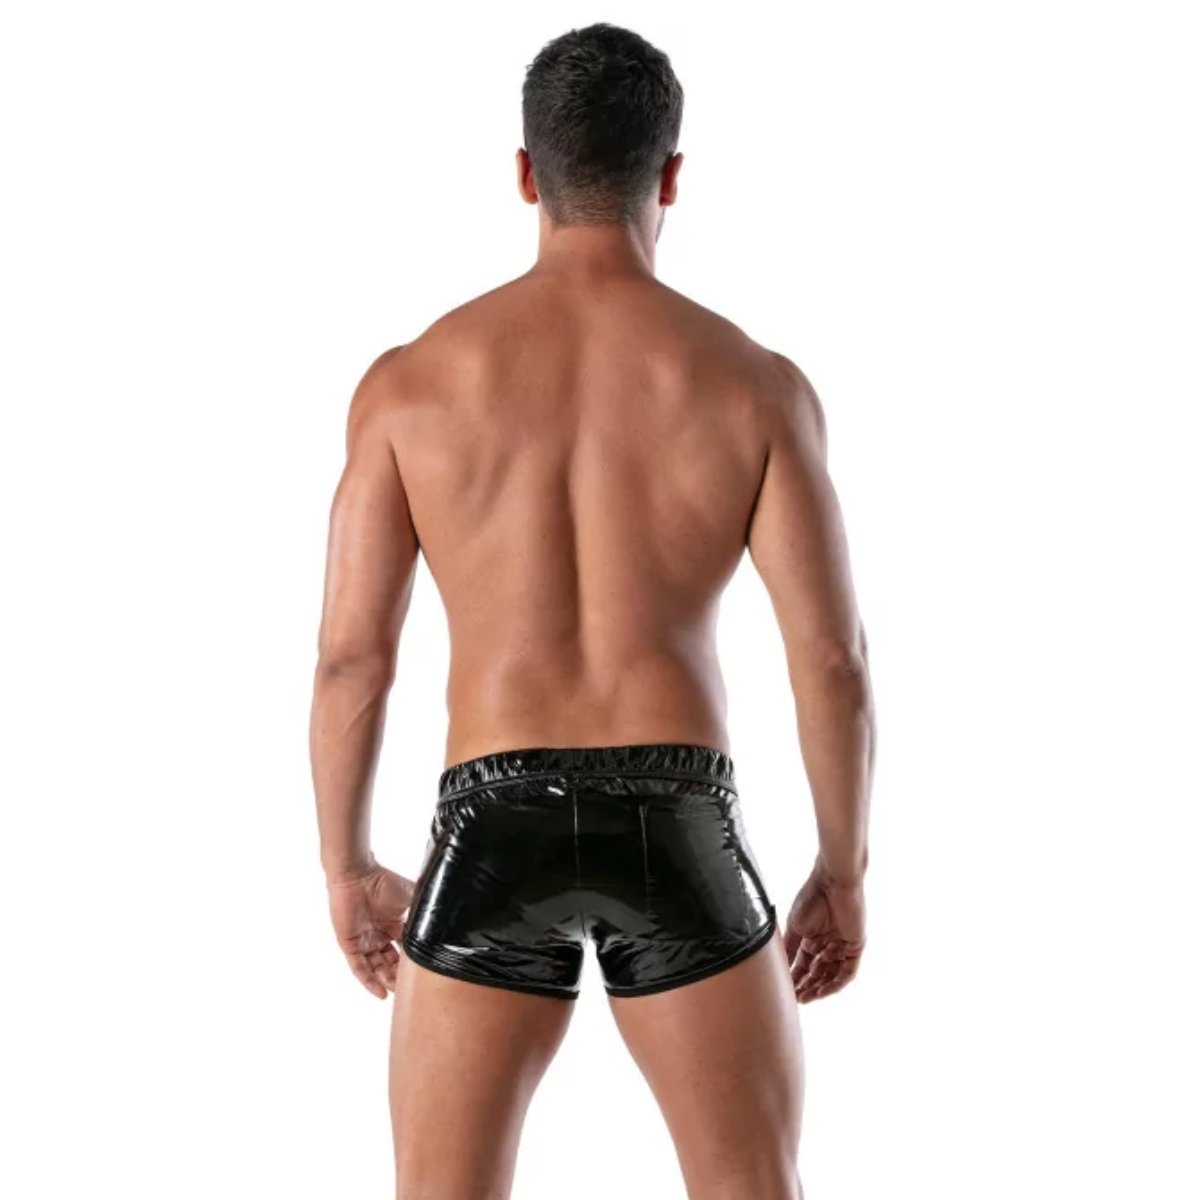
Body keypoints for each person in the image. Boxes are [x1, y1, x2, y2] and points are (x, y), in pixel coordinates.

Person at [309, 21, 875, 1200]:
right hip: (679, 817)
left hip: (490, 815)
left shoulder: (409, 385)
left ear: (526, 173)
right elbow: (830, 660)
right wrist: (843, 867)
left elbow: (353, 661)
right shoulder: (753, 385)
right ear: (671, 177)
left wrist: (347, 865)